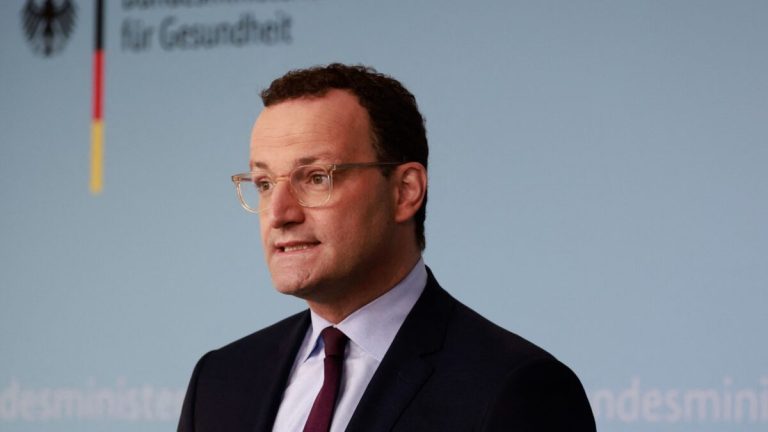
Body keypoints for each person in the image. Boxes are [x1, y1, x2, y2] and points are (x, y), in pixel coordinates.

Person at [178, 63, 596, 432]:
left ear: (404, 191)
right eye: (265, 184)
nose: (279, 213)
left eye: (317, 178)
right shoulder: (219, 381)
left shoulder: (516, 389)